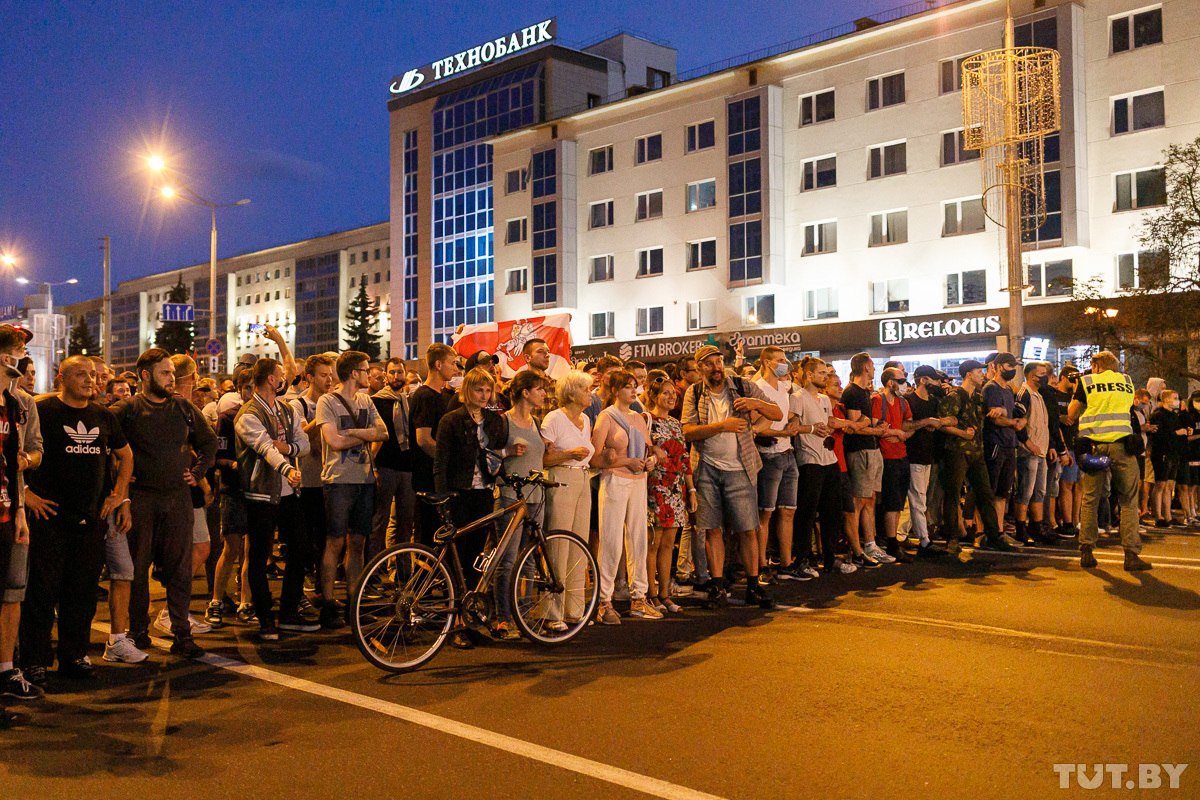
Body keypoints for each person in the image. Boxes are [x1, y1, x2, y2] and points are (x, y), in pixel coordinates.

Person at [19, 356, 134, 681]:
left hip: (90, 520)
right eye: (81, 374)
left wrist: (118, 494)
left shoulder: (103, 415)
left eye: (93, 375)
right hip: (48, 518)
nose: (90, 380)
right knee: (41, 594)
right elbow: (16, 452)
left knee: (81, 593)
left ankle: (75, 656)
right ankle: (34, 660)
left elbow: (125, 456)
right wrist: (26, 493)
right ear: (61, 378)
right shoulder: (42, 410)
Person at [112, 348, 218, 659]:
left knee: (180, 570)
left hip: (177, 500)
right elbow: (104, 444)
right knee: (137, 568)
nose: (172, 378)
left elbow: (209, 442)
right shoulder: (127, 409)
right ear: (145, 376)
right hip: (140, 500)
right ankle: (138, 632)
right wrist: (119, 478)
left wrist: (197, 472)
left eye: (172, 372)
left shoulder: (184, 407)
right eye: (165, 373)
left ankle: (181, 634)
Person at [681, 344, 782, 609]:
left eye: (718, 362)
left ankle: (753, 585)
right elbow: (687, 431)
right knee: (712, 528)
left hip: (741, 467)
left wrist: (755, 404)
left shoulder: (742, 385)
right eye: (709, 364)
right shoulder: (695, 392)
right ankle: (717, 585)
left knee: (748, 528)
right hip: (706, 467)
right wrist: (721, 426)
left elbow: (777, 413)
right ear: (700, 368)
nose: (716, 368)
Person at [234, 358, 315, 640]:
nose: (284, 378)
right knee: (259, 556)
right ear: (271, 379)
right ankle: (265, 617)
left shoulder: (286, 409)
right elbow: (265, 448)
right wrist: (287, 468)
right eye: (280, 374)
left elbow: (304, 444)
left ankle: (289, 612)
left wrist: (289, 449)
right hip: (261, 493)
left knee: (300, 549)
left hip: (288, 493)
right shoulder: (248, 414)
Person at [433, 367, 514, 648]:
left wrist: (504, 474)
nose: (484, 395)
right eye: (479, 389)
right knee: (457, 560)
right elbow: (441, 462)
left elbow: (496, 455)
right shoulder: (451, 420)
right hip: (459, 494)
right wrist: (442, 498)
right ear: (467, 390)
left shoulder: (494, 420)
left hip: (483, 493)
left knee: (477, 557)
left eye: (488, 390)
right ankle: (455, 624)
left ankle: (468, 620)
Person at [314, 351, 388, 628]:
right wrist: (366, 435)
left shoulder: (366, 400)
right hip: (338, 481)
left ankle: (353, 604)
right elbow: (333, 441)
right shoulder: (327, 401)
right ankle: (328, 604)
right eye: (366, 369)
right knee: (335, 542)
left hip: (364, 480)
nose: (370, 374)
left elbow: (383, 433)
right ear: (354, 373)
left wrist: (354, 433)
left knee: (358, 543)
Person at [1066, 351, 1149, 571]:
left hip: (1094, 447)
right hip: (1123, 447)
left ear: (1096, 366)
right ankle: (1131, 554)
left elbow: (1072, 414)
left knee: (1090, 499)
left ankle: (1086, 550)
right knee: (1128, 500)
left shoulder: (1087, 382)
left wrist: (1078, 393)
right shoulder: (1126, 381)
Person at [590, 369, 662, 623]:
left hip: (638, 480)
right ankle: (604, 600)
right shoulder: (606, 417)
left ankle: (639, 597)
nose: (634, 390)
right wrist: (624, 461)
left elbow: (649, 449)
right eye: (628, 386)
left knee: (638, 538)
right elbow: (595, 458)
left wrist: (651, 461)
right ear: (615, 390)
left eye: (635, 386)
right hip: (615, 480)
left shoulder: (639, 417)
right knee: (611, 540)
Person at [0, 326, 41, 702]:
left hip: (9, 511)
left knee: (12, 591)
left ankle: (6, 670)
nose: (22, 356)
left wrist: (21, 512)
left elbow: (22, 459)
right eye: (14, 349)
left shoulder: (18, 405)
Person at [492, 371, 548, 639]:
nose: (544, 394)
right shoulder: (504, 422)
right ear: (525, 392)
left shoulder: (536, 422)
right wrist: (508, 452)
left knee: (528, 562)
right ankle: (503, 617)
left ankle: (523, 615)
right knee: (507, 559)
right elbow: (488, 457)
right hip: (510, 497)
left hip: (535, 496)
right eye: (539, 389)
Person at [937, 359, 1012, 553]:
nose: (982, 375)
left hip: (976, 452)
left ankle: (993, 535)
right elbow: (942, 424)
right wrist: (962, 433)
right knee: (953, 495)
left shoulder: (978, 397)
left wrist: (1001, 409)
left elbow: (998, 411)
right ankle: (952, 538)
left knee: (985, 494)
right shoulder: (955, 397)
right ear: (969, 374)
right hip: (957, 451)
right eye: (979, 372)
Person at [792, 357, 858, 575]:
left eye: (826, 373)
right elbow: (792, 426)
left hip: (829, 459)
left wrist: (845, 425)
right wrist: (811, 428)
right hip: (810, 460)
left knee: (833, 513)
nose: (825, 377)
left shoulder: (824, 399)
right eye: (821, 373)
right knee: (807, 513)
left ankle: (830, 558)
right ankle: (802, 559)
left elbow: (829, 421)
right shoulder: (797, 397)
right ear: (809, 375)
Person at [206, 370, 255, 627]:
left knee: (252, 551)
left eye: (255, 387)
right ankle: (216, 600)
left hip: (258, 490)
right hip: (233, 489)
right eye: (247, 388)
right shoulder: (227, 417)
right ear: (239, 389)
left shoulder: (268, 415)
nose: (251, 393)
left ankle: (246, 601)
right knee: (231, 547)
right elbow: (217, 457)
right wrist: (236, 465)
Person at [644, 371, 693, 612]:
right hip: (655, 485)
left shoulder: (675, 423)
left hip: (675, 487)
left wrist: (691, 489)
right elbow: (642, 448)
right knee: (653, 543)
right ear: (654, 396)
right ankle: (651, 594)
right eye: (666, 393)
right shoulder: (647, 420)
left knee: (668, 544)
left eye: (673, 393)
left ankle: (665, 594)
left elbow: (684, 458)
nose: (671, 397)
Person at [841, 352, 895, 565]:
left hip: (871, 449)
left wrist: (876, 425)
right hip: (860, 450)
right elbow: (854, 426)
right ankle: (855, 548)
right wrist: (876, 431)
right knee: (859, 500)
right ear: (865, 367)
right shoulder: (852, 392)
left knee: (870, 498)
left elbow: (865, 422)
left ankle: (870, 544)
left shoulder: (864, 392)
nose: (874, 369)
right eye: (872, 365)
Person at [752, 347, 800, 582]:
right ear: (766, 363)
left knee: (788, 510)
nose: (785, 364)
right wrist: (782, 433)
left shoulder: (783, 387)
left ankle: (786, 562)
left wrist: (794, 422)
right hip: (769, 455)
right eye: (780, 360)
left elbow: (790, 412)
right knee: (766, 513)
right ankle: (761, 564)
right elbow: (757, 427)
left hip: (787, 453)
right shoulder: (758, 388)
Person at [410, 343, 459, 543]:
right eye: (452, 363)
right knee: (429, 534)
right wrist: (446, 462)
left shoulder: (441, 396)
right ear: (438, 365)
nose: (455, 369)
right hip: (427, 477)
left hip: (436, 477)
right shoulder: (425, 396)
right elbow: (423, 439)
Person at [872, 366, 922, 560]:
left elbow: (909, 426)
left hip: (901, 455)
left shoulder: (903, 402)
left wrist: (901, 435)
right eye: (900, 380)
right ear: (890, 382)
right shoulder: (878, 401)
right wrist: (897, 432)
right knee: (891, 502)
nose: (904, 384)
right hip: (886, 457)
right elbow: (877, 428)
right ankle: (891, 542)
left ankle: (892, 540)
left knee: (899, 502)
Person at [369, 357, 416, 555]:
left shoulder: (410, 400)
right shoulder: (376, 401)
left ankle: (402, 568)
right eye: (392, 372)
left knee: (406, 522)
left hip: (407, 468)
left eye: (400, 372)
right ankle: (375, 566)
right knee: (379, 521)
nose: (396, 376)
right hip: (385, 467)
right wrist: (373, 467)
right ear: (386, 376)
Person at [982, 352, 1026, 539]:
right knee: (991, 490)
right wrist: (1013, 423)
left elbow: (1012, 414)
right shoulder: (991, 388)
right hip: (996, 444)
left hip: (1009, 443)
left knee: (1003, 492)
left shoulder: (1008, 390)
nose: (1012, 370)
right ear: (998, 366)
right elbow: (995, 418)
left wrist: (1019, 421)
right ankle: (988, 531)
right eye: (1009, 366)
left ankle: (999, 531)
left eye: (1014, 366)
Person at [905, 365, 948, 556]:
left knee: (922, 498)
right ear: (923, 380)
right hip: (913, 454)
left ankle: (917, 536)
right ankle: (923, 540)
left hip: (928, 454)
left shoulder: (933, 401)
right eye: (934, 379)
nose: (938, 383)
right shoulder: (909, 400)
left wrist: (933, 423)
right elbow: (905, 425)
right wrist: (926, 422)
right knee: (917, 498)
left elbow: (942, 421)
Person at [1013, 362, 1057, 544]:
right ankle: (1020, 528)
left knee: (1039, 491)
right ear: (1032, 376)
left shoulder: (1038, 395)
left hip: (1041, 450)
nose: (1046, 376)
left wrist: (1050, 446)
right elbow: (1018, 421)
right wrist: (1028, 443)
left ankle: (1036, 526)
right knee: (1025, 491)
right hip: (1029, 451)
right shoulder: (1025, 394)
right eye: (1042, 373)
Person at [1148, 390, 1187, 528]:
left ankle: (1168, 516)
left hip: (1173, 453)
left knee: (1169, 486)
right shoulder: (1158, 415)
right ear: (1166, 400)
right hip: (1162, 452)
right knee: (1161, 484)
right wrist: (1176, 433)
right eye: (1174, 398)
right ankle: (1158, 516)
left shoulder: (1174, 415)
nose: (1177, 401)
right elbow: (1158, 435)